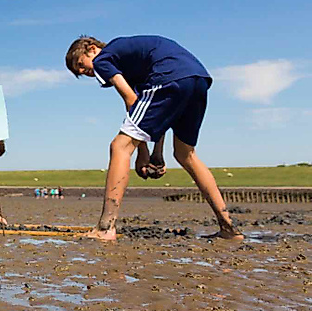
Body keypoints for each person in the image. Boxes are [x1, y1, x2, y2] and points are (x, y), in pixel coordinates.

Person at [66, 35, 242, 241]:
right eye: (77, 72)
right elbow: (156, 113)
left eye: (80, 64)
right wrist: (156, 154)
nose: (82, 71)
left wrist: (142, 153)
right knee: (186, 154)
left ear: (92, 48)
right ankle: (229, 228)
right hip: (197, 79)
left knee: (120, 147)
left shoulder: (103, 59)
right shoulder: (130, 61)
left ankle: (105, 227)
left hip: (170, 77)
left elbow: (131, 100)